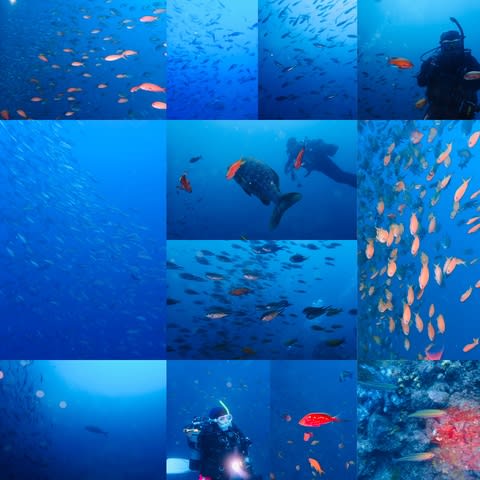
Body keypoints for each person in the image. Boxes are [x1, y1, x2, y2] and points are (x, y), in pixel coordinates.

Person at [417, 17, 480, 119]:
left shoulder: (469, 60)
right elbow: (421, 82)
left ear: (461, 43)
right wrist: (429, 72)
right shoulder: (433, 61)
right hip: (437, 109)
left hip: (464, 111)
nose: (452, 49)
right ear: (441, 47)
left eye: (455, 44)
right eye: (447, 45)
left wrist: (467, 81)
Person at [184, 403, 261, 480]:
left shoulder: (233, 429)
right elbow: (221, 455)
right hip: (211, 474)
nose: (226, 421)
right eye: (221, 419)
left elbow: (242, 443)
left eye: (228, 418)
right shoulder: (208, 434)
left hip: (228, 472)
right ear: (215, 421)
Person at [285, 137, 356, 188]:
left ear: (290, 145)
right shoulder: (300, 146)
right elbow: (293, 162)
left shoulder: (294, 151)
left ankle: (358, 182)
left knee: (339, 177)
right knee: (340, 176)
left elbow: (289, 163)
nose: (289, 149)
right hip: (321, 161)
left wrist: (287, 168)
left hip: (320, 163)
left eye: (289, 147)